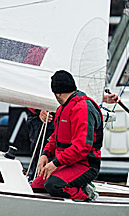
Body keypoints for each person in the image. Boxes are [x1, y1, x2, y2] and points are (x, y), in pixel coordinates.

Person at [31, 70, 106, 201]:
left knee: (53, 185)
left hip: (85, 165)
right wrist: (45, 154)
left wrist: (55, 163)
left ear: (57, 93)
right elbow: (55, 137)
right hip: (66, 162)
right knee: (36, 186)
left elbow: (82, 146)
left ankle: (86, 195)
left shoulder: (82, 108)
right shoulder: (62, 108)